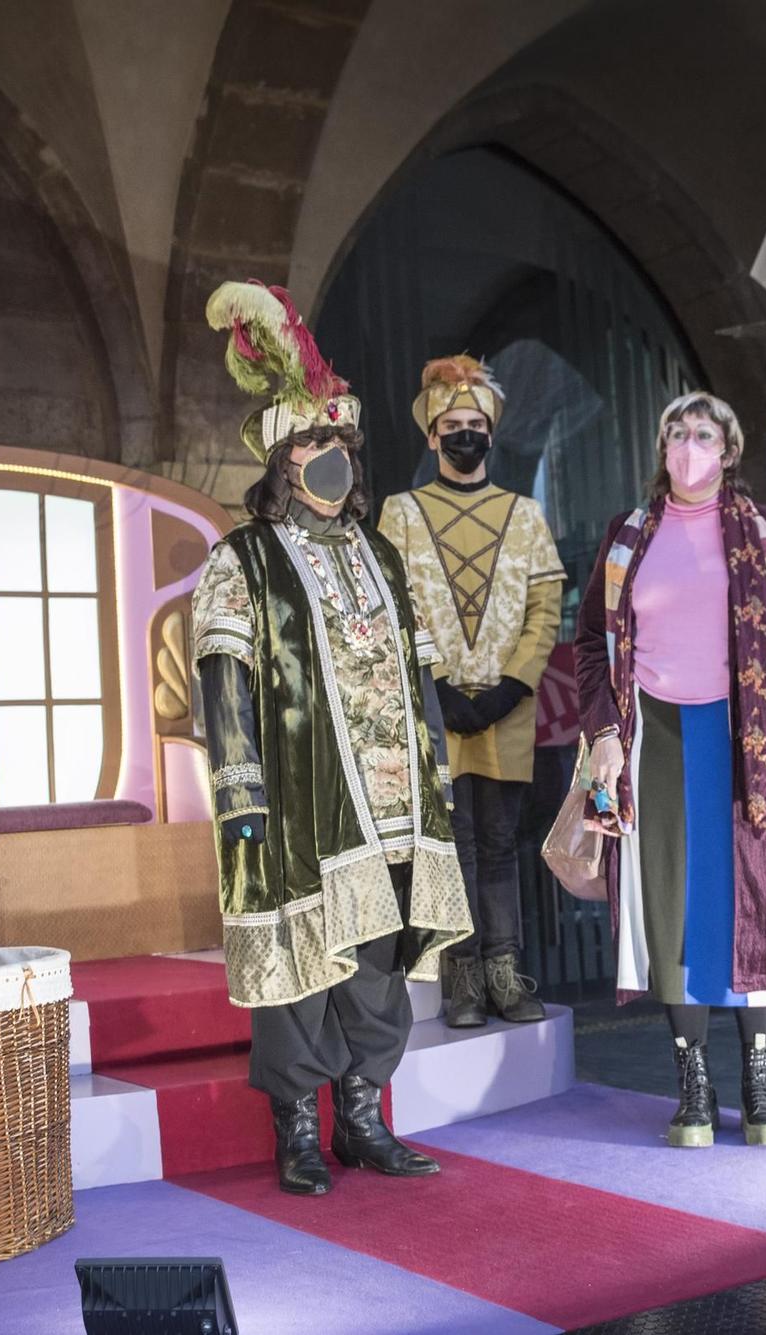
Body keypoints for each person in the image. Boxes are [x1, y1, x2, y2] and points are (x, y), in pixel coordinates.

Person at [192, 280, 473, 1196]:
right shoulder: (243, 560)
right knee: (301, 965)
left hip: (394, 803)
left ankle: (361, 1119)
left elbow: (417, 669)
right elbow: (223, 678)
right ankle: (299, 1133)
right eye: (314, 444)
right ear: (280, 460)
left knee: (381, 963)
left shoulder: (382, 553)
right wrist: (239, 792)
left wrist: (435, 765)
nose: (332, 459)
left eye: (341, 444)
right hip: (298, 800)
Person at [574, 391, 766, 1150]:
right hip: (654, 735)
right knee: (673, 907)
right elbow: (592, 641)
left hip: (750, 736)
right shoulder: (626, 536)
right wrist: (603, 733)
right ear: (662, 449)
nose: (689, 447)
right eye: (677, 435)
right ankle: (692, 1077)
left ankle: (761, 1076)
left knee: (753, 902)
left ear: (728, 449)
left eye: (704, 434)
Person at [377, 356, 563, 1028]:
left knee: (500, 838)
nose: (464, 434)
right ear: (432, 436)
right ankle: (460, 977)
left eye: (475, 424)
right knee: (451, 838)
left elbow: (545, 602)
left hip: (507, 709)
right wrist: (436, 688)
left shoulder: (525, 513)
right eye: (452, 425)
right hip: (436, 712)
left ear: (492, 433)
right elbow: (391, 605)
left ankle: (505, 971)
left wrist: (515, 682)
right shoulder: (398, 514)